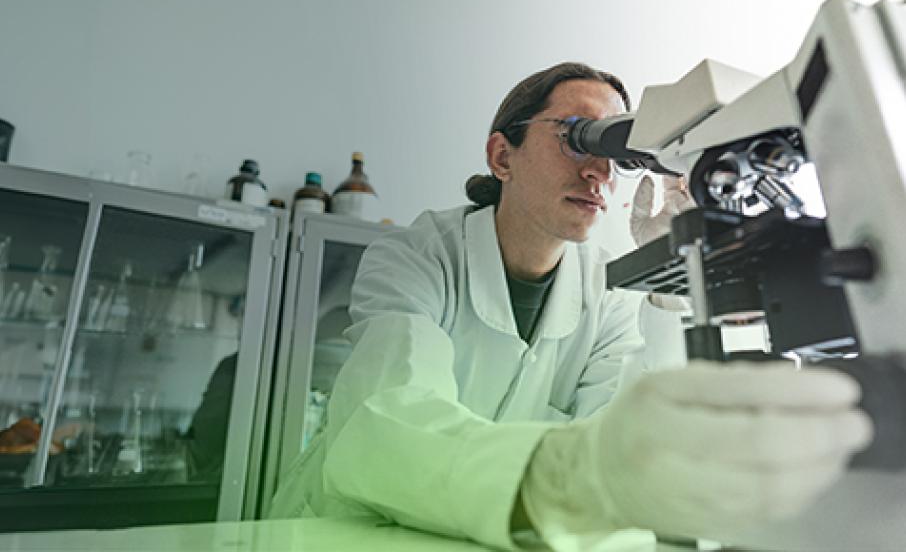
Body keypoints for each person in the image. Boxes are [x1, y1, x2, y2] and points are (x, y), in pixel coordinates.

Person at [270, 62, 872, 549]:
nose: (599, 171)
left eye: (617, 151)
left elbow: (628, 431)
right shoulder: (415, 259)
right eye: (577, 137)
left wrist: (671, 276)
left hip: (504, 537)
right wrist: (576, 475)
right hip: (349, 533)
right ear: (502, 156)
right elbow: (387, 422)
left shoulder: (606, 289)